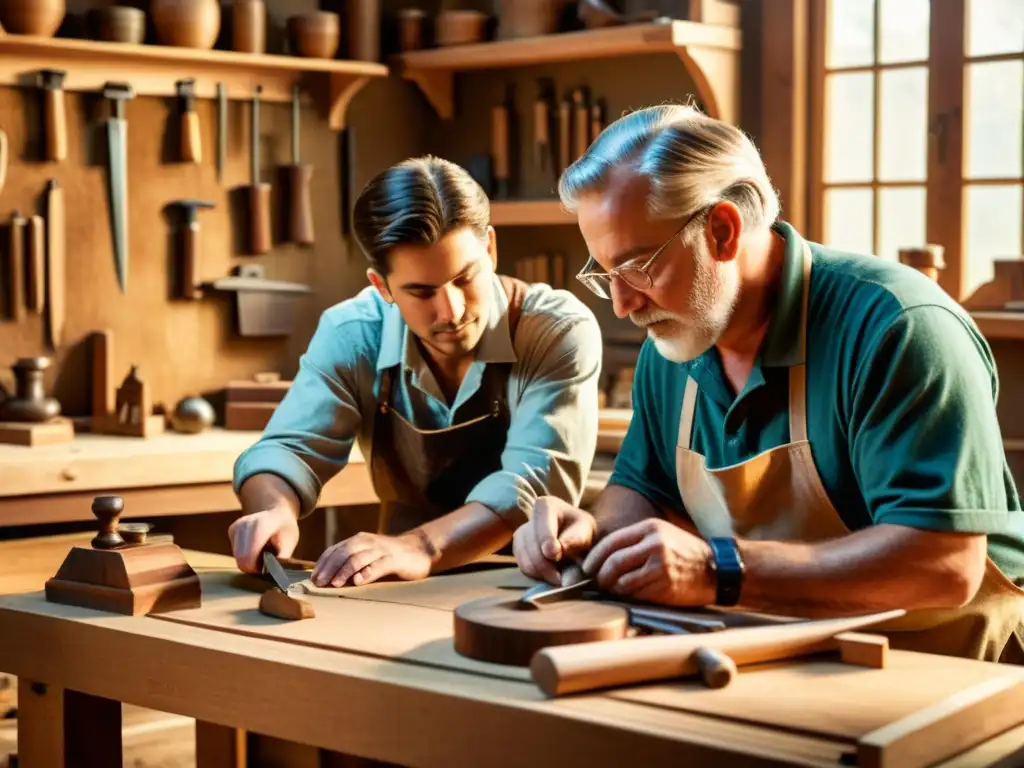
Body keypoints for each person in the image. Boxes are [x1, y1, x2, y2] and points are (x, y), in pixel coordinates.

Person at [512, 102, 1024, 663]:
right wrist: (591, 540)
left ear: (723, 230)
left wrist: (718, 570)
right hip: (784, 655)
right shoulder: (673, 345)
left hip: (952, 667)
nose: (621, 304)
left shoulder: (898, 328)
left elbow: (942, 566)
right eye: (604, 275)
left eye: (637, 267)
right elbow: (645, 494)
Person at [229, 156, 602, 588]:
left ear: (490, 249)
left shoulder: (555, 330)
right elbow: (287, 450)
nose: (452, 310)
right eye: (421, 292)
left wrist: (421, 546)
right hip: (401, 580)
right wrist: (272, 507)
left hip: (532, 580)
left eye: (465, 278)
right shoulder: (353, 333)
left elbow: (530, 486)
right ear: (382, 286)